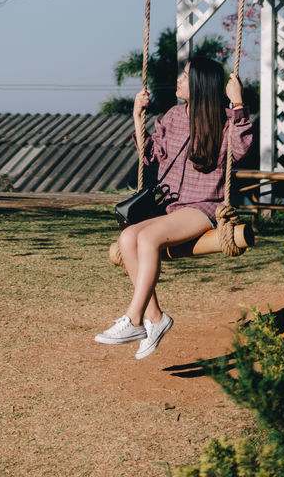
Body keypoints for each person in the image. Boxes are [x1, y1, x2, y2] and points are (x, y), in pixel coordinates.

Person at [94, 55, 253, 359]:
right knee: (128, 238)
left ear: (199, 84)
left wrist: (237, 104)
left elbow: (242, 149)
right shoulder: (174, 116)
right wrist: (138, 118)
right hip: (171, 207)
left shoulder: (223, 121)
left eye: (185, 75)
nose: (179, 79)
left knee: (148, 239)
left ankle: (133, 318)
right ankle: (155, 318)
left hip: (203, 208)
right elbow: (152, 155)